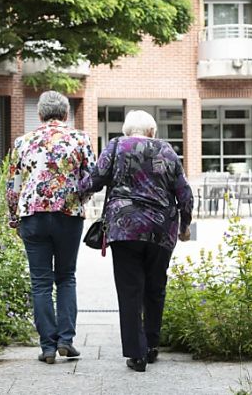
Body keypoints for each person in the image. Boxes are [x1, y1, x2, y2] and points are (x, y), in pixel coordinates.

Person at [79, 110, 193, 373]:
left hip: (125, 228)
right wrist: (185, 224)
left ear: (126, 131)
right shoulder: (166, 151)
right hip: (161, 229)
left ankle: (137, 354)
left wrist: (76, 190)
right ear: (152, 131)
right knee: (155, 287)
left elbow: (95, 179)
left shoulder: (116, 146)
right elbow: (184, 193)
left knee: (130, 290)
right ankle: (152, 346)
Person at [6, 91, 96, 364]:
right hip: (68, 214)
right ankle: (66, 340)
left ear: (40, 114)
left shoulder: (23, 141)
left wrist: (13, 218)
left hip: (32, 215)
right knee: (66, 276)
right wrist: (78, 199)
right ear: (66, 114)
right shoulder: (80, 138)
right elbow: (91, 178)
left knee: (40, 282)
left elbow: (13, 186)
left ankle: (47, 346)